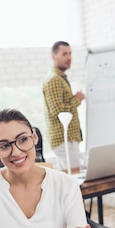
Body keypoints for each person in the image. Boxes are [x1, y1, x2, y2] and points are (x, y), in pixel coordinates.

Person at [43, 40, 85, 170]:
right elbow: (58, 110)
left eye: (70, 54)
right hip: (64, 139)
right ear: (54, 56)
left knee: (69, 177)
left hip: (68, 139)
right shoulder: (54, 79)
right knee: (74, 177)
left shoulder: (60, 78)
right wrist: (77, 99)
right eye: (64, 54)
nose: (69, 58)